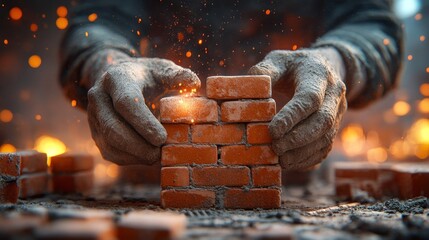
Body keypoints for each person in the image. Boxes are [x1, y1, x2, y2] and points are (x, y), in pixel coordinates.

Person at [60, 0, 403, 170]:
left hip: (294, 159)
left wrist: (332, 61)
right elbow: (97, 19)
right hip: (157, 162)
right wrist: (109, 63)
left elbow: (371, 25)